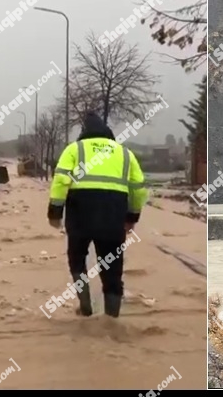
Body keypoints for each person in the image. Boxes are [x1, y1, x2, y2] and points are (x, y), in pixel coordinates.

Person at [46, 112, 148, 318]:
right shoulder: (125, 153)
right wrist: (132, 217)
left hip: (80, 213)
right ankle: (112, 318)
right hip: (113, 214)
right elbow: (138, 189)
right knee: (112, 267)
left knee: (77, 259)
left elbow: (60, 182)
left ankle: (85, 308)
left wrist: (54, 213)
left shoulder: (74, 149)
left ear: (84, 133)